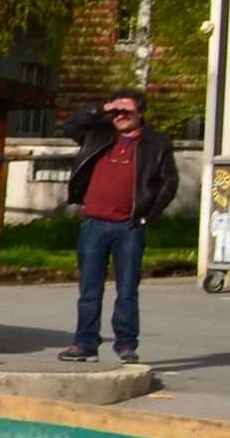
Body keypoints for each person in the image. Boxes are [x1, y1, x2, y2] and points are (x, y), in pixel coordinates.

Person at [58, 87, 177, 365]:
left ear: (141, 112)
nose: (121, 116)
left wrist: (148, 215)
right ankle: (85, 344)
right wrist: (102, 108)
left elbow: (169, 182)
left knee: (127, 291)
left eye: (127, 110)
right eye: (116, 111)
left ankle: (126, 345)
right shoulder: (98, 133)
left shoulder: (157, 143)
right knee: (89, 291)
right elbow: (70, 126)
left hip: (130, 227)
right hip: (94, 224)